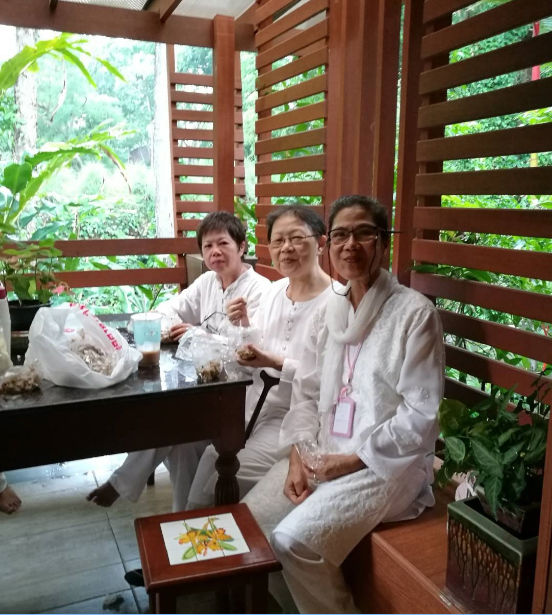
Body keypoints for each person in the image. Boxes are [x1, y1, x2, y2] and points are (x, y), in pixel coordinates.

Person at [242, 195, 445, 614]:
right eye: (340, 235)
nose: (350, 244)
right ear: (329, 244)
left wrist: (351, 460)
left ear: (383, 243)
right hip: (324, 452)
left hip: (385, 465)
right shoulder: (330, 310)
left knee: (293, 541)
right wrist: (298, 454)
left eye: (364, 233)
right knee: (251, 522)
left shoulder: (414, 313)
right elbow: (307, 390)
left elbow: (420, 414)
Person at [87, 211, 271, 511]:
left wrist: (197, 334)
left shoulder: (260, 290)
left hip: (241, 395)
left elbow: (252, 350)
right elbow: (168, 309)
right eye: (208, 246)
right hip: (208, 387)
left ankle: (124, 484)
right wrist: (176, 328)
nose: (215, 252)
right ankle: (182, 515)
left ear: (241, 247)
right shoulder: (208, 282)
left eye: (223, 243)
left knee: (173, 421)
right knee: (181, 441)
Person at [186, 205, 332, 510]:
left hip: (293, 417)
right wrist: (243, 325)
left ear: (320, 243)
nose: (286, 248)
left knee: (221, 479)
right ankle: (189, 532)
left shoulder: (336, 301)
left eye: (296, 238)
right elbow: (258, 342)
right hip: (253, 404)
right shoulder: (275, 291)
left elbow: (332, 378)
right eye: (278, 241)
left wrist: (275, 362)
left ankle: (217, 534)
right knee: (206, 465)